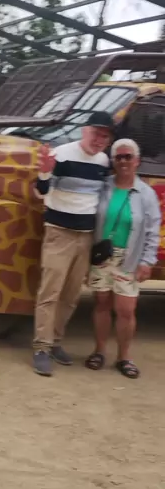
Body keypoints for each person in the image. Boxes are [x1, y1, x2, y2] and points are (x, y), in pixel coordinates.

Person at [32, 111, 114, 376]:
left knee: (71, 296)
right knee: (50, 292)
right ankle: (41, 348)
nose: (99, 140)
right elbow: (40, 191)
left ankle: (56, 341)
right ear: (84, 131)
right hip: (59, 233)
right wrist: (45, 172)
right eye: (96, 133)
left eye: (105, 136)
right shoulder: (62, 154)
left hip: (86, 236)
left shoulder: (103, 161)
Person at [85, 139, 161, 379]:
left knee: (126, 309)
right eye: (118, 157)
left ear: (137, 161)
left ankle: (124, 357)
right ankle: (99, 351)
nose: (123, 161)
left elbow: (152, 230)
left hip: (129, 257)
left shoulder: (146, 193)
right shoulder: (103, 187)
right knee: (102, 303)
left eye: (128, 156)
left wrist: (147, 261)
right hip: (102, 256)